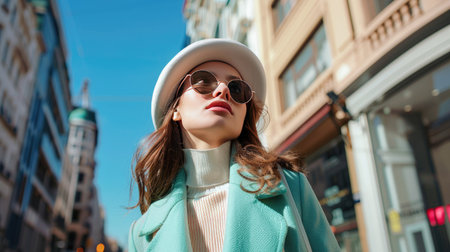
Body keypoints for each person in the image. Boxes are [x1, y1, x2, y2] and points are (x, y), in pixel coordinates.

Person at [128, 39, 340, 252]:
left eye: (236, 88)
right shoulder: (140, 234)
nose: (222, 90)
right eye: (203, 82)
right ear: (175, 110)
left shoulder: (292, 187)